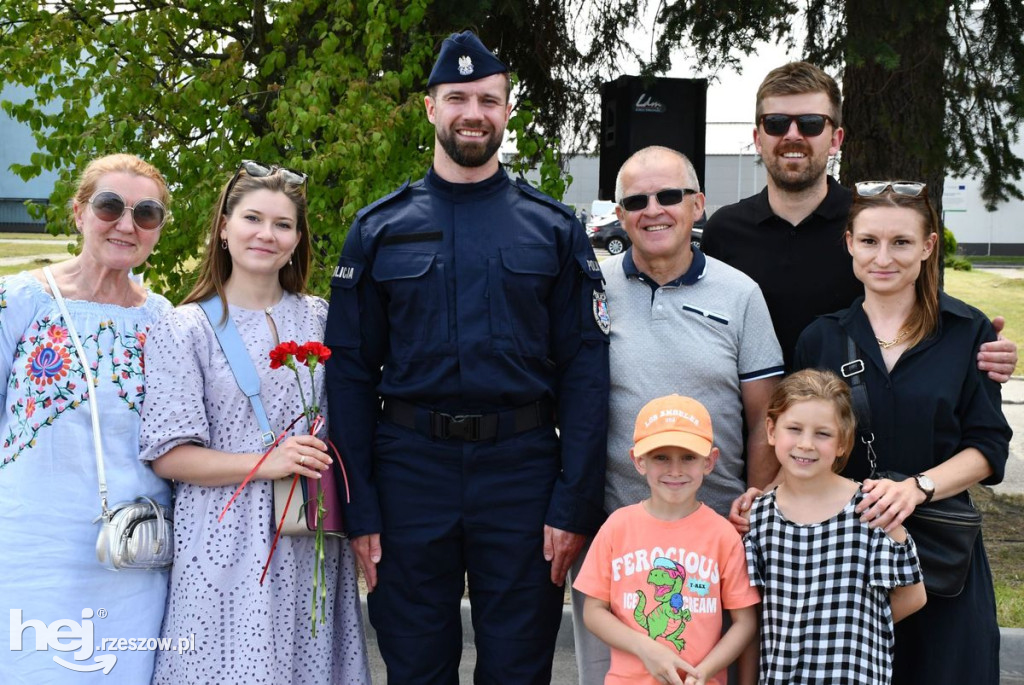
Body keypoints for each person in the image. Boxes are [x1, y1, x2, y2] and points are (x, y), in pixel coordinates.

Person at [324, 31, 610, 684]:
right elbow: (348, 372)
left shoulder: (553, 228)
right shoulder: (379, 228)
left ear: (507, 112)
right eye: (457, 97)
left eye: (488, 98)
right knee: (415, 661)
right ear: (431, 108)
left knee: (519, 663)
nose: (472, 112)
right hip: (408, 472)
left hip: (522, 471)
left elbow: (587, 374)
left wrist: (572, 502)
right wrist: (358, 503)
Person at [138, 161, 369, 684]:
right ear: (223, 227)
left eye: (283, 224)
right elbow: (170, 454)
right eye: (252, 218)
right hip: (225, 541)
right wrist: (267, 461)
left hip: (306, 536)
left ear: (297, 239)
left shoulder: (321, 316)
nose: (267, 234)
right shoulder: (186, 325)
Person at [569, 146, 783, 683]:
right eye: (635, 200)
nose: (653, 209)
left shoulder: (741, 295)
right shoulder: (590, 288)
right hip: (618, 535)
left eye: (669, 196)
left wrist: (752, 503)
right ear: (619, 216)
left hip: (717, 538)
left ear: (698, 205)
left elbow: (765, 418)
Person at [792, 181, 1011, 684]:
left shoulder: (968, 333)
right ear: (849, 243)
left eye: (901, 242)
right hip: (846, 559)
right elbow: (798, 444)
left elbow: (988, 445)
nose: (883, 257)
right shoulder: (820, 337)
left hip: (942, 557)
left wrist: (918, 488)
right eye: (869, 241)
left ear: (929, 246)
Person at [701, 61, 1018, 379]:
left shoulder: (870, 226)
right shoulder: (724, 231)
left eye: (811, 123)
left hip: (860, 418)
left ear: (836, 139)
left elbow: (922, 306)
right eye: (777, 123)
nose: (792, 135)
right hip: (751, 420)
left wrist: (982, 346)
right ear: (758, 137)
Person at [0, 153, 173, 683]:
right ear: (78, 212)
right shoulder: (20, 300)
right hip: (30, 549)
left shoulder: (164, 319)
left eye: (146, 214)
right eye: (109, 206)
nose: (126, 224)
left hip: (132, 555)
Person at [745, 369, 927, 684]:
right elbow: (757, 609)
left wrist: (855, 625)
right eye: (794, 429)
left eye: (823, 433)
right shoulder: (760, 518)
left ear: (843, 442)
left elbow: (913, 596)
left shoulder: (871, 509)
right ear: (772, 430)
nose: (805, 444)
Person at [575, 394, 760, 685]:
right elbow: (593, 611)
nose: (675, 470)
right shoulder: (617, 526)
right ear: (638, 461)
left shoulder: (722, 535)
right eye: (661, 457)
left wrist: (704, 671)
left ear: (710, 462)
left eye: (688, 457)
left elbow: (745, 622)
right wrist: (645, 648)